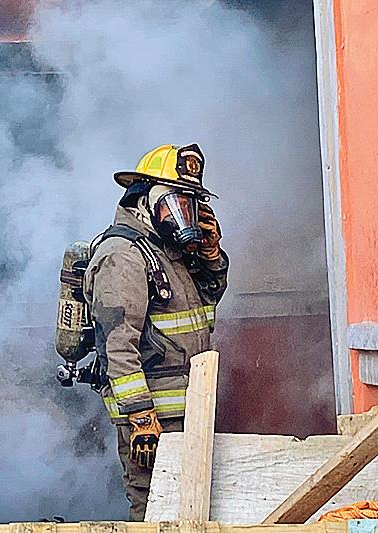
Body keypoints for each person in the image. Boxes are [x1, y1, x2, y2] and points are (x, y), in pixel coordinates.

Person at [84, 144, 228, 520]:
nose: (186, 214)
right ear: (144, 200)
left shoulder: (167, 253)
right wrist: (140, 415)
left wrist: (212, 256)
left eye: (192, 204)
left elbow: (206, 305)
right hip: (152, 421)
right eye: (177, 202)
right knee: (152, 509)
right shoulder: (122, 256)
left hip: (189, 411)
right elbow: (117, 345)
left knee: (191, 509)